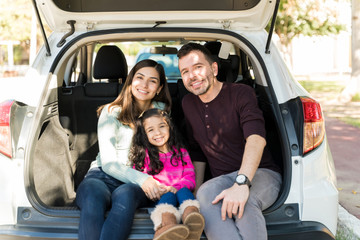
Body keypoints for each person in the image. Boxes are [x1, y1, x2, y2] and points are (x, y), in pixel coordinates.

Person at [177, 43, 282, 240]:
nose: (192, 76)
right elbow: (197, 150)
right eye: (185, 71)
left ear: (214, 69)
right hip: (222, 180)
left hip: (262, 173)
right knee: (205, 195)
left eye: (198, 67)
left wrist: (242, 183)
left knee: (245, 201)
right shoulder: (188, 103)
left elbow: (256, 139)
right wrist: (197, 191)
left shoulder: (240, 93)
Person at [75, 59, 172, 240]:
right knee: (91, 196)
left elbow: (166, 151)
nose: (144, 85)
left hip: (135, 183)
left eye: (152, 81)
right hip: (102, 175)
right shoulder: (111, 112)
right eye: (139, 78)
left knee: (125, 193)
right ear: (130, 81)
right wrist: (144, 180)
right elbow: (109, 165)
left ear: (159, 88)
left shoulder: (161, 112)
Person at [129, 108, 205, 240]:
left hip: (181, 193)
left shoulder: (181, 152)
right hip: (160, 197)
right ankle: (167, 226)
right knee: (169, 196)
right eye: (150, 130)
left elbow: (190, 177)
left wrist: (177, 187)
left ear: (170, 127)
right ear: (144, 134)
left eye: (162, 126)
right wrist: (157, 189)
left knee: (184, 192)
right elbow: (140, 179)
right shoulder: (144, 156)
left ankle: (191, 218)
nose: (157, 133)